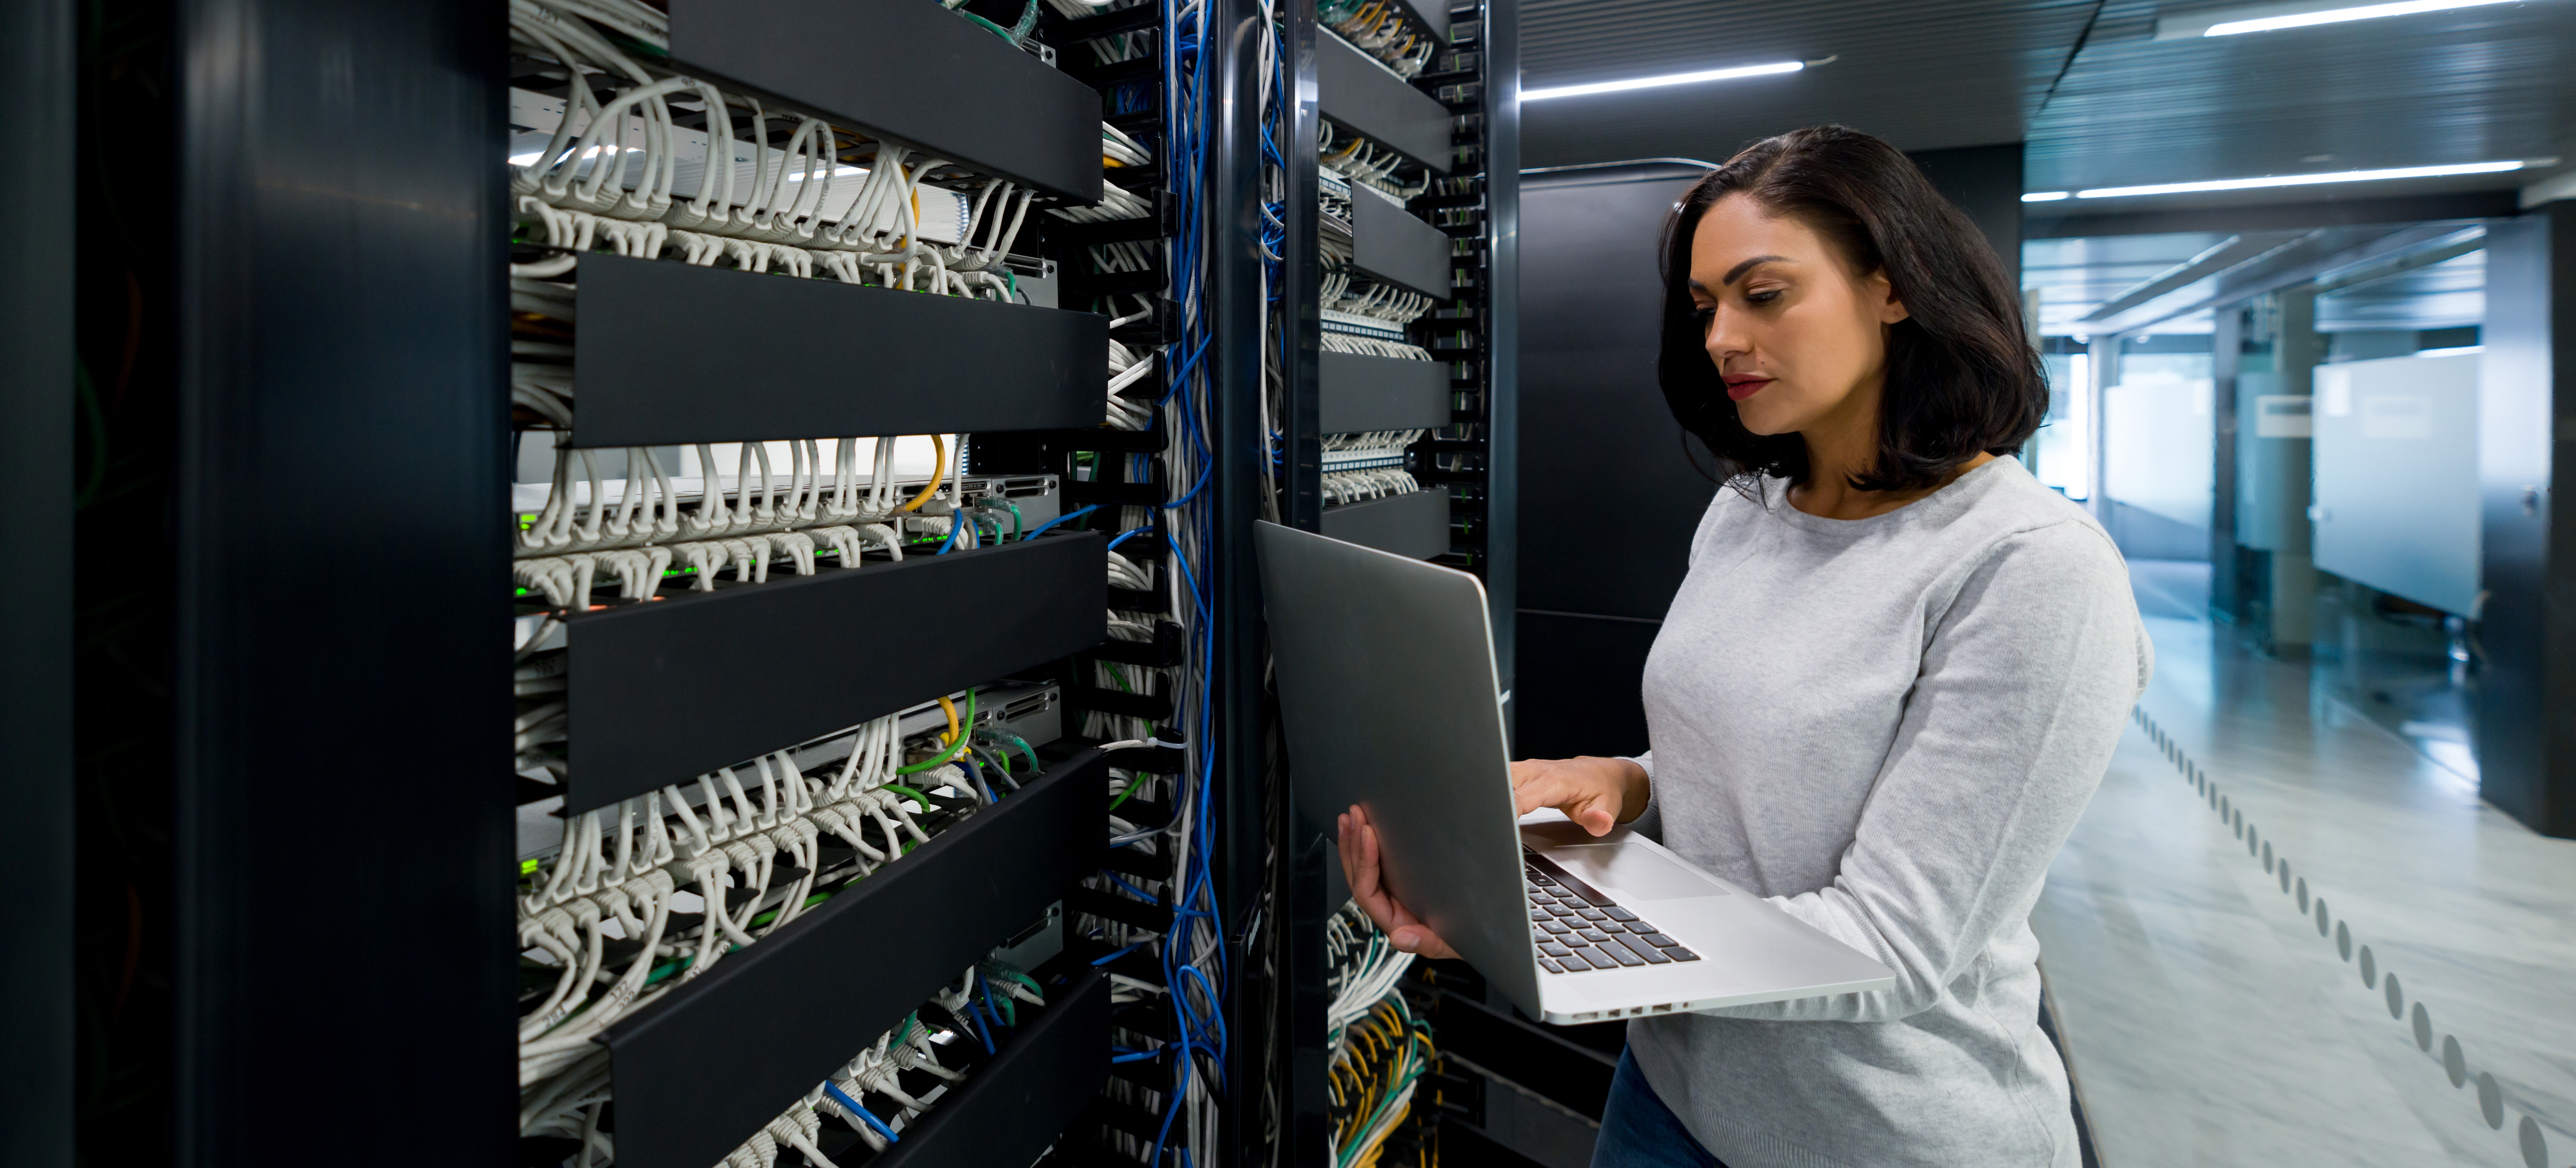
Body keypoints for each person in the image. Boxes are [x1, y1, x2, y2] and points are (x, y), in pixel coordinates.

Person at [1336, 125, 2151, 1168]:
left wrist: (1543, 943)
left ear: (1892, 286)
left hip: (1877, 1136)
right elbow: (1765, 776)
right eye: (1704, 306)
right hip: (1670, 1090)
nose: (1722, 337)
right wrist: (1626, 783)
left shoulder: (2031, 568)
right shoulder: (1748, 510)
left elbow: (1897, 947)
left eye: (1763, 295)